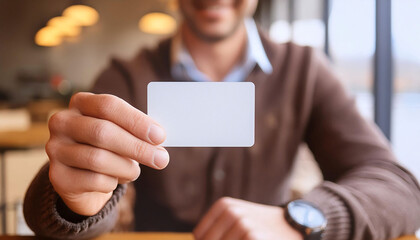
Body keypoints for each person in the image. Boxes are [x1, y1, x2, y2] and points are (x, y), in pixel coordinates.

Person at [24, 0, 420, 239]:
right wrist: (73, 204)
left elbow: (401, 188)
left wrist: (301, 220)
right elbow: (56, 217)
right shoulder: (125, 77)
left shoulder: (304, 70)